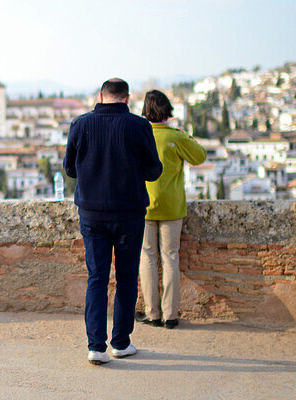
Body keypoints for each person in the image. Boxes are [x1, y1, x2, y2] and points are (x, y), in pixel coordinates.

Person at [64, 78, 162, 366]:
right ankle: (121, 342)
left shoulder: (80, 125)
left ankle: (96, 346)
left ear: (101, 96)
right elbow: (153, 171)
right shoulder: (139, 126)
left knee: (97, 277)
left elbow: (70, 169)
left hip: (92, 213)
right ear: (128, 98)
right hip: (129, 212)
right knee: (127, 278)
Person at [139, 90, 207, 329]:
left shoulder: (140, 134)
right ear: (167, 109)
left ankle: (152, 313)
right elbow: (200, 156)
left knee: (147, 258)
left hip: (144, 206)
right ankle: (170, 315)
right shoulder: (175, 137)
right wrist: (183, 136)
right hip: (172, 207)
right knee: (170, 259)